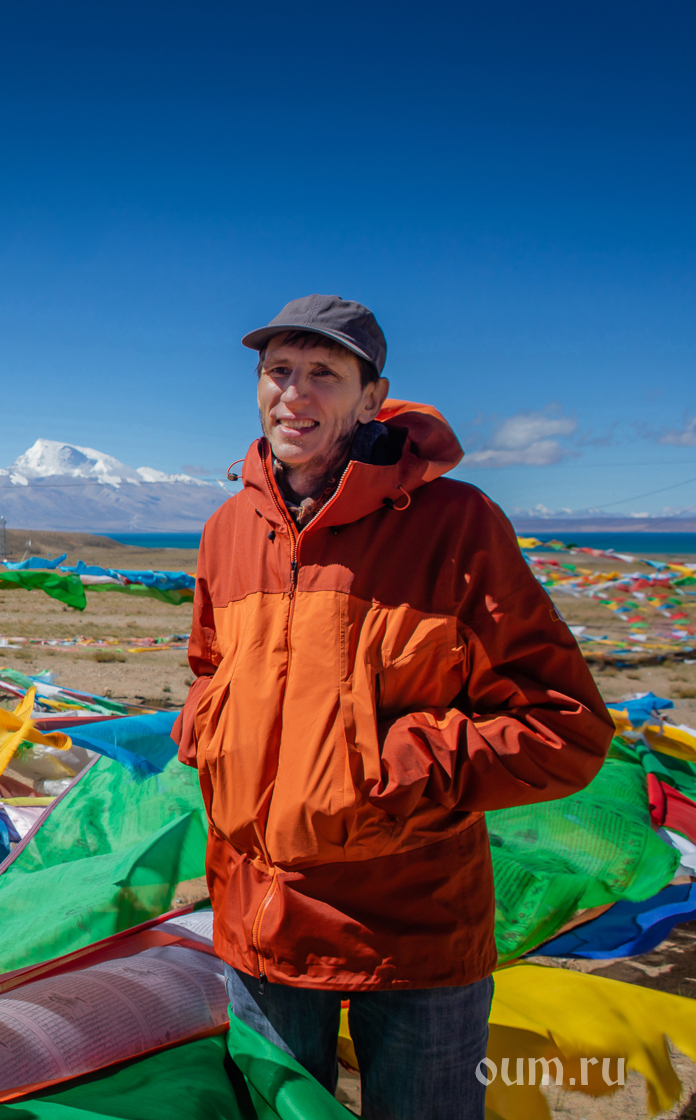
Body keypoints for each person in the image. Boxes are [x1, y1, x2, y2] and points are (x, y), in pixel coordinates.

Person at [172, 295, 612, 1119]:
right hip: (258, 924)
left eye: (324, 374)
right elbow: (209, 670)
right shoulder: (228, 529)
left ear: (373, 398)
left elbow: (564, 727)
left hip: (413, 934)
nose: (294, 394)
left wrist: (392, 769)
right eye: (278, 371)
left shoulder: (455, 525)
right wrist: (211, 732)